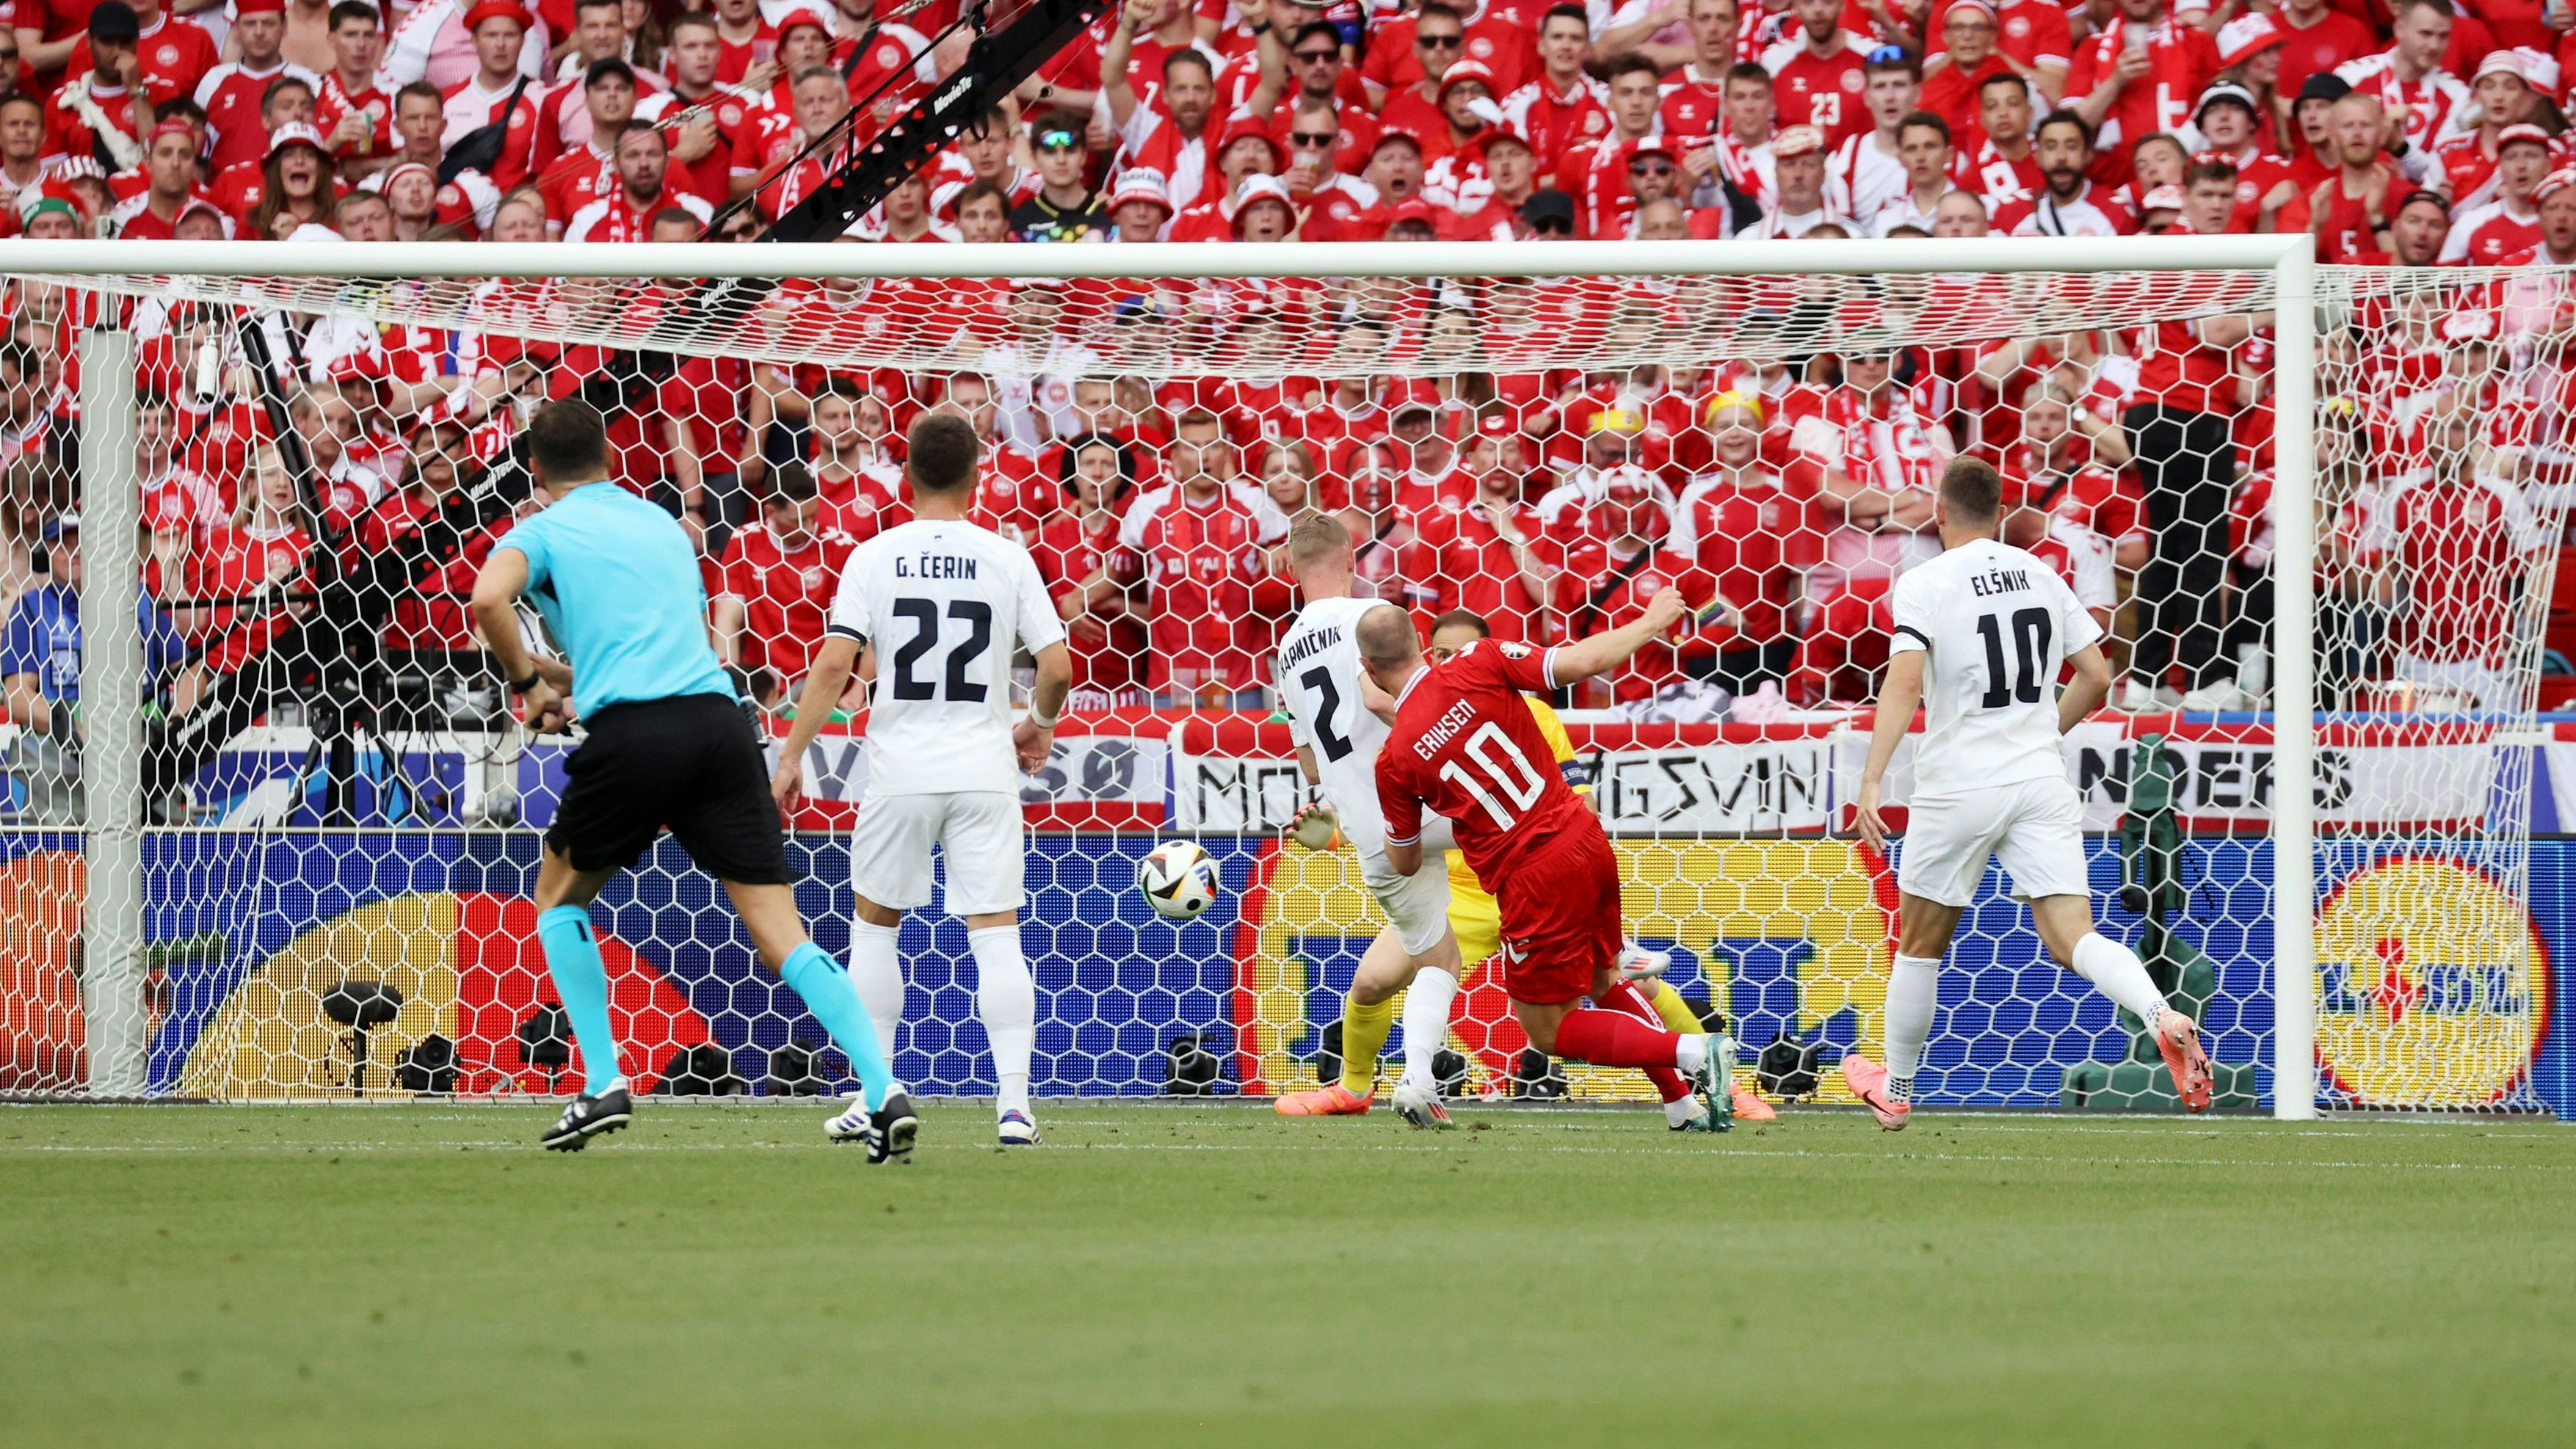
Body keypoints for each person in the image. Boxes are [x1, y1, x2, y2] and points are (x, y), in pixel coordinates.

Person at [467, 397, 912, 1157]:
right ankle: (881, 1090)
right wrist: (559, 676)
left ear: (535, 469)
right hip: (717, 727)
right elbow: (646, 650)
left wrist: (526, 681)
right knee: (784, 933)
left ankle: (603, 1082)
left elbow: (485, 598)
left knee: (556, 898)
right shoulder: (663, 527)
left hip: (635, 735)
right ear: (610, 457)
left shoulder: (539, 530)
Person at [1843, 457, 2213, 1130]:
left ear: (1938, 509)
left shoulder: (1926, 580)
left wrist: (1872, 778)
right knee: (2074, 934)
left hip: (1959, 780)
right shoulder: (2041, 573)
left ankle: (1895, 1091)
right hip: (2038, 777)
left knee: (1920, 944)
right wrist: (2043, 731)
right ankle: (2161, 1013)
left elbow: (1902, 682)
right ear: (2001, 510)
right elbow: (2098, 674)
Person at [769, 413, 1075, 1148]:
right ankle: (1014, 1108)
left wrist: (790, 755)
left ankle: (873, 1092)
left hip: (900, 770)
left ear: (905, 476)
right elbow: (1059, 667)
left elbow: (837, 665)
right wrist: (1038, 721)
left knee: (874, 929)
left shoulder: (874, 555)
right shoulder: (1005, 556)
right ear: (976, 478)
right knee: (995, 934)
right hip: (983, 770)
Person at [1363, 588, 1739, 1127]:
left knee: (1547, 1030)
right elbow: (1584, 660)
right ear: (1421, 645)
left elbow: (1400, 863)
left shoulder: (1394, 759)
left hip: (1531, 877)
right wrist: (1653, 621)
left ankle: (1695, 1053)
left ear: (1368, 669)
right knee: (1603, 977)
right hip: (1584, 838)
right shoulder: (1480, 658)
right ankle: (1680, 1103)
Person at [1268, 517, 1473, 1128]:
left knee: (1438, 957)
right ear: (1353, 558)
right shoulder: (1375, 617)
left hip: (1375, 835)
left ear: (1288, 569)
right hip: (1435, 801)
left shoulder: (1284, 652)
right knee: (1545, 830)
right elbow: (1429, 702)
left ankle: (1414, 1080)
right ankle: (1613, 949)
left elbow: (1308, 764)